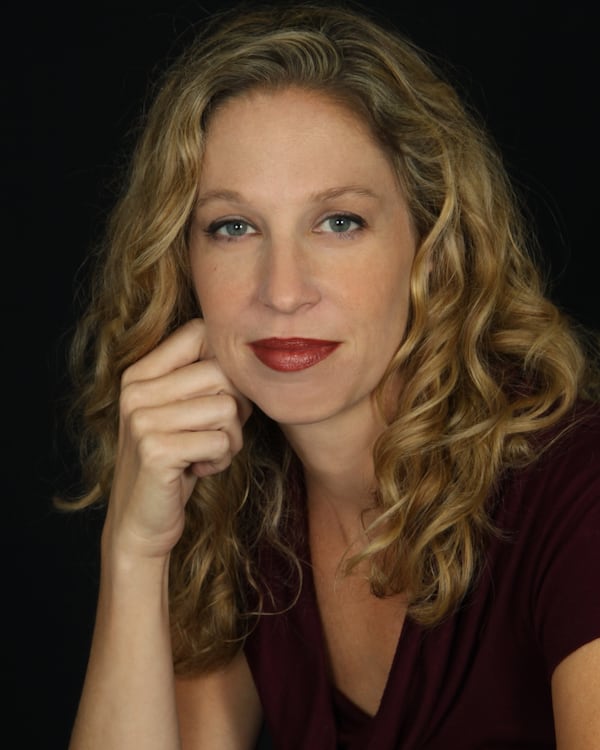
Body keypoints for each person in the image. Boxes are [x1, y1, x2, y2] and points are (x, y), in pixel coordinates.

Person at [62, 2, 600, 748]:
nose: (283, 291)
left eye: (339, 222)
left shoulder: (577, 493)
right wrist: (132, 554)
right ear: (182, 266)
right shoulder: (238, 505)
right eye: (233, 227)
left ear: (433, 244)